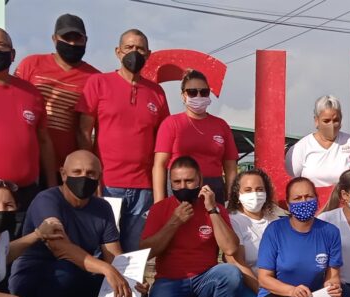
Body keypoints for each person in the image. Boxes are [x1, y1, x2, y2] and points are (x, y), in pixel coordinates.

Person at [9, 151, 148, 297]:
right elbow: (59, 247)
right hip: (35, 279)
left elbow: (113, 253)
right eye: (77, 172)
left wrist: (130, 278)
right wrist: (106, 269)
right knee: (65, 274)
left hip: (75, 276)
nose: (84, 178)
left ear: (99, 178)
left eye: (91, 173)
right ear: (63, 174)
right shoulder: (48, 199)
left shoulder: (102, 208)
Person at [75, 28, 170, 253]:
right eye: (129, 48)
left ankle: (131, 290)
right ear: (118, 52)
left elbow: (162, 144)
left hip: (143, 189)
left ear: (148, 54)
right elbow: (83, 132)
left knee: (135, 254)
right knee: (101, 250)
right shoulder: (98, 83)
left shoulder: (157, 92)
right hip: (107, 184)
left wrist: (159, 196)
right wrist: (91, 178)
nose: (134, 53)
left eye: (140, 49)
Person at [141, 156, 242, 297]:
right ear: (170, 183)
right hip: (170, 279)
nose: (183, 186)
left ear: (200, 181)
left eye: (189, 181)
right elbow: (147, 252)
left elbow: (230, 248)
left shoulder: (214, 207)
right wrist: (174, 222)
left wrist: (212, 210)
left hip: (205, 277)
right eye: (177, 182)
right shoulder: (160, 209)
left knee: (231, 274)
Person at [255, 177, 348, 297]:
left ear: (317, 199)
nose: (304, 202)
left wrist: (333, 287)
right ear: (288, 204)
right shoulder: (275, 231)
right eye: (297, 198)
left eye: (309, 196)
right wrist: (291, 291)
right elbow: (264, 279)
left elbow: (333, 275)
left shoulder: (330, 232)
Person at [0, 26, 58, 235]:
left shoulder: (31, 93)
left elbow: (43, 141)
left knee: (21, 253)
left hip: (25, 195)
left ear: (12, 54)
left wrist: (51, 185)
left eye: (2, 45)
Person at [14, 14, 100, 169]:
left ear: (86, 40)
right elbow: (12, 106)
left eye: (78, 38)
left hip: (68, 166)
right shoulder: (31, 64)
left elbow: (91, 129)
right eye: (67, 38)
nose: (73, 43)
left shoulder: (96, 78)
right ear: (54, 39)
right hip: (27, 159)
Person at [153, 70, 238, 204]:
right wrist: (158, 203)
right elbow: (159, 164)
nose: (198, 95)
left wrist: (233, 202)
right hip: (180, 187)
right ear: (183, 95)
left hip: (214, 187)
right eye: (192, 92)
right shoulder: (171, 123)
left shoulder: (221, 125)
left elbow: (230, 168)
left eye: (203, 92)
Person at [224, 169, 277, 297]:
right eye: (248, 190)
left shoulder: (276, 218)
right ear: (237, 194)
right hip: (250, 283)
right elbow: (236, 261)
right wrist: (262, 289)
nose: (255, 194)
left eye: (260, 189)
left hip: (278, 283)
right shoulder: (234, 220)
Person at [285, 95, 350, 187]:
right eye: (326, 121)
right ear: (316, 121)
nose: (331, 125)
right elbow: (290, 181)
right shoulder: (301, 147)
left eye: (336, 120)